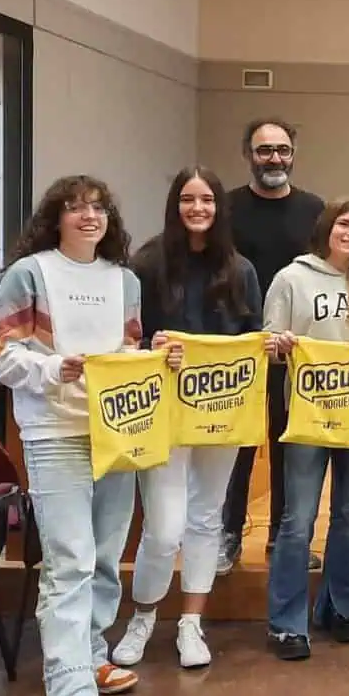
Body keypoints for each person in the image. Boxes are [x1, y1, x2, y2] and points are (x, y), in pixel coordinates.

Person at [0, 175, 144, 696]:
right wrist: (53, 369)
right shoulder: (29, 274)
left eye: (98, 208)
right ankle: (69, 692)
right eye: (76, 208)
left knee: (105, 555)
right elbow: (2, 354)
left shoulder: (125, 281)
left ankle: (93, 653)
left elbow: (128, 352)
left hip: (117, 430)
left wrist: (154, 357)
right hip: (54, 431)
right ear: (56, 217)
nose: (88, 217)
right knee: (69, 561)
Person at [111, 168, 270, 670]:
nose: (197, 207)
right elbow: (126, 340)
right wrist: (150, 348)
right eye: (187, 198)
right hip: (163, 411)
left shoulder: (240, 268)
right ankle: (142, 617)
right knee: (162, 526)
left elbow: (254, 335)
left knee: (206, 518)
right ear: (174, 205)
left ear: (219, 207)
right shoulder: (147, 264)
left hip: (221, 410)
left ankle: (190, 624)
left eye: (206, 199)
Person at [263, 197, 349, 661]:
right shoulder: (291, 278)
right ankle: (286, 623)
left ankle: (341, 607)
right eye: (345, 224)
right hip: (308, 414)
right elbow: (269, 344)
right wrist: (281, 344)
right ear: (327, 228)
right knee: (298, 521)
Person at [221, 118, 325, 574]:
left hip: (294, 347)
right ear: (248, 154)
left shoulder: (314, 209)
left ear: (294, 152)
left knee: (290, 442)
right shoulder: (225, 209)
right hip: (240, 344)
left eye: (282, 149)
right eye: (265, 151)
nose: (274, 159)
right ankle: (228, 535)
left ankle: (284, 536)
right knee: (236, 442)